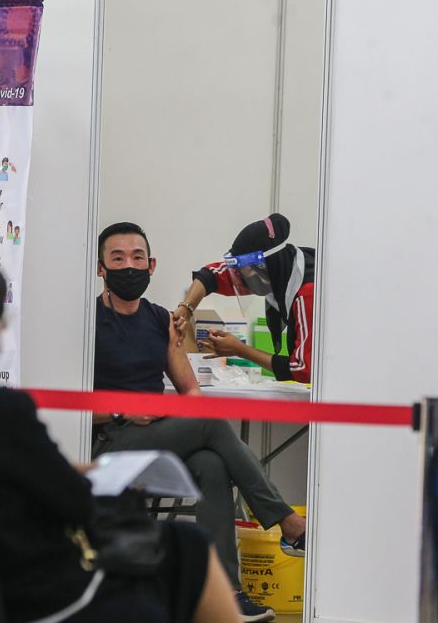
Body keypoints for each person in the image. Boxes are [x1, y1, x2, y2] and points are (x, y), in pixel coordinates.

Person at [0, 250, 239, 623]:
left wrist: (62, 471)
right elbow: (76, 505)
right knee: (187, 546)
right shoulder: (0, 409)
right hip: (26, 591)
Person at [93, 222, 305, 622]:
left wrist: (174, 414)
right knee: (209, 425)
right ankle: (288, 523)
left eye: (138, 257)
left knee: (212, 463)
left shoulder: (160, 320)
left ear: (152, 265)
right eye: (117, 258)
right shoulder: (88, 322)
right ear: (101, 268)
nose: (129, 266)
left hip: (156, 439)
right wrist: (122, 411)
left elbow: (190, 391)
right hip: (109, 441)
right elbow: (66, 406)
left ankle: (223, 597)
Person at [175, 213, 316, 385]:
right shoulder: (280, 270)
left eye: (246, 275)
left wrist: (239, 350)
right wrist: (186, 308)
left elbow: (304, 369)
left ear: (266, 268)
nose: (242, 282)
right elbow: (211, 276)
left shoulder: (308, 294)